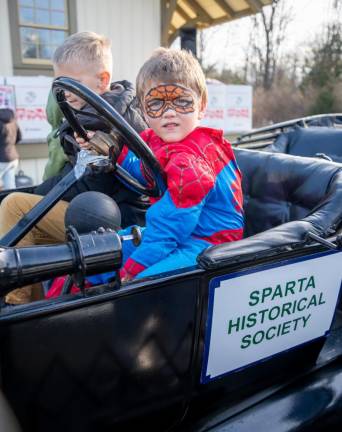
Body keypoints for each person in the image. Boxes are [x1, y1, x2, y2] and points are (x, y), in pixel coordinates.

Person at [0, 31, 147, 305]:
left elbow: (90, 183)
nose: (66, 93)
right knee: (22, 215)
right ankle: (31, 304)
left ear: (103, 80)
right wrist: (41, 192)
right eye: (61, 84)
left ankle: (15, 306)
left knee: (14, 207)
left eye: (74, 84)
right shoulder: (93, 112)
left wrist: (40, 195)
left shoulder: (109, 120)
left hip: (117, 221)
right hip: (93, 205)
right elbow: (75, 173)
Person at [79, 47, 244, 284]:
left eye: (182, 101)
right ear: (144, 111)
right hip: (178, 229)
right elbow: (150, 175)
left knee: (141, 288)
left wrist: (131, 271)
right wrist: (117, 152)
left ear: (202, 105)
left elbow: (170, 227)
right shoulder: (155, 140)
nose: (169, 112)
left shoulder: (191, 162)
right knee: (98, 254)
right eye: (156, 103)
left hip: (210, 242)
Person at [0, 108, 21, 190]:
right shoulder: (13, 122)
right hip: (13, 157)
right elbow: (19, 137)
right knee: (10, 186)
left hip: (1, 159)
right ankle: (11, 202)